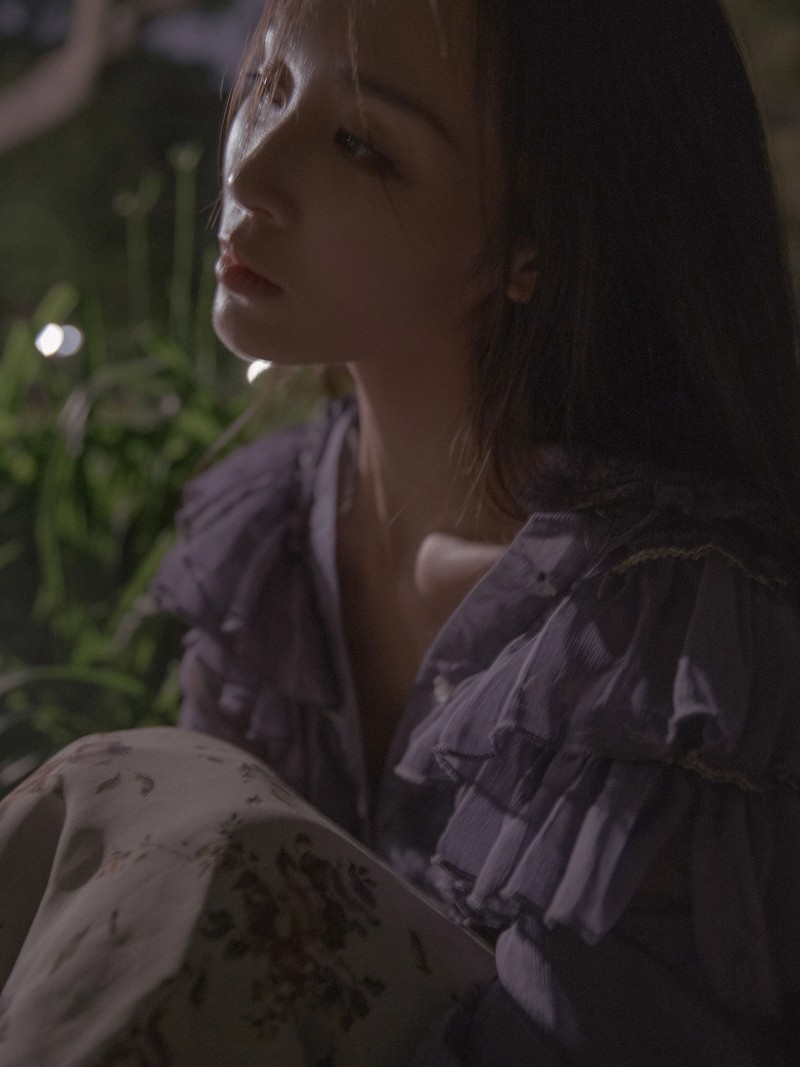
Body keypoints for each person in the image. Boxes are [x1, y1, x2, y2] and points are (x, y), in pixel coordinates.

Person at [1, 0, 799, 1063]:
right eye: (269, 85)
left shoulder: (658, 661)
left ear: (532, 243)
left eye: (359, 144)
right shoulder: (275, 533)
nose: (250, 172)